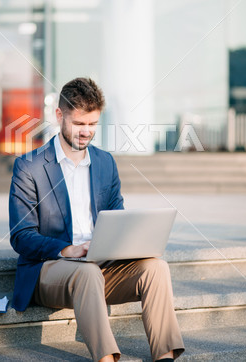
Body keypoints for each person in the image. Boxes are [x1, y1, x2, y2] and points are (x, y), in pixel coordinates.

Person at [9, 77, 185, 362]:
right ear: (59, 116)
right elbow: (21, 236)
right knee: (87, 273)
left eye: (92, 124)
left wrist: (130, 243)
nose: (86, 132)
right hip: (50, 268)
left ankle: (164, 357)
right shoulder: (29, 167)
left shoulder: (105, 162)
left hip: (101, 266)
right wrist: (67, 249)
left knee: (156, 268)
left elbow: (118, 217)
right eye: (79, 124)